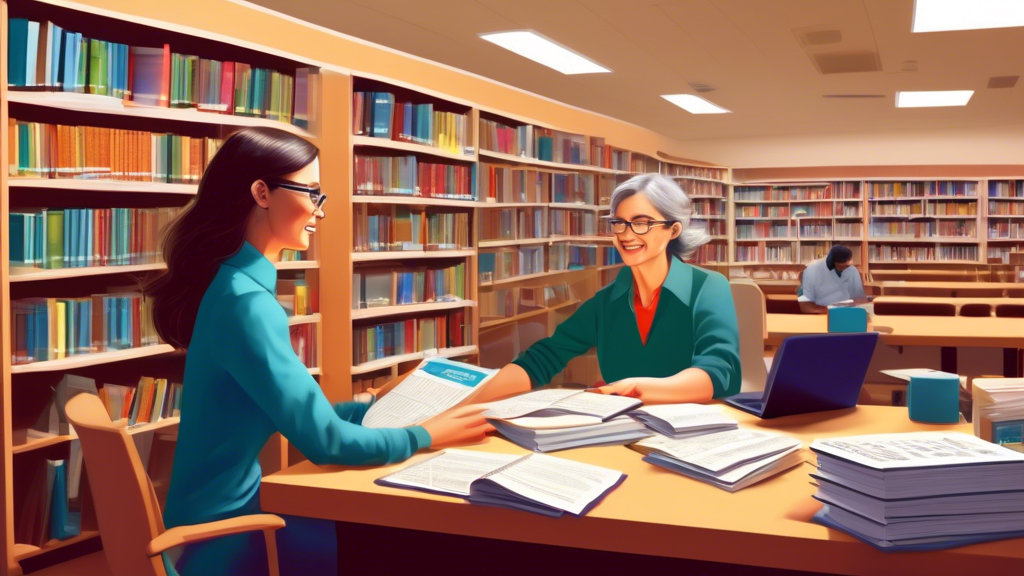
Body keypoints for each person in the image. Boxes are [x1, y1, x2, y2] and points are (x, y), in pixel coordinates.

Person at [145, 127, 490, 576]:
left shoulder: (232, 287)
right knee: (410, 544)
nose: (318, 211)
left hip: (225, 515)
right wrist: (428, 434)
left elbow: (299, 417)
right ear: (261, 193)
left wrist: (371, 404)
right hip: (229, 537)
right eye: (311, 192)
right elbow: (326, 442)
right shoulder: (246, 305)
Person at [465, 173, 741, 405]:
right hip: (619, 428)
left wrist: (634, 389)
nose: (626, 234)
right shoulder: (608, 300)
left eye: (642, 223)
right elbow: (545, 357)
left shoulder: (707, 286)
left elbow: (718, 372)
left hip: (694, 429)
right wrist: (469, 401)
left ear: (674, 230)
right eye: (619, 222)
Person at [799, 245, 866, 309]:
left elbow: (860, 299)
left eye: (847, 266)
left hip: (847, 311)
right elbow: (806, 305)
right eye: (841, 267)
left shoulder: (852, 271)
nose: (845, 268)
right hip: (822, 311)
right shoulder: (812, 270)